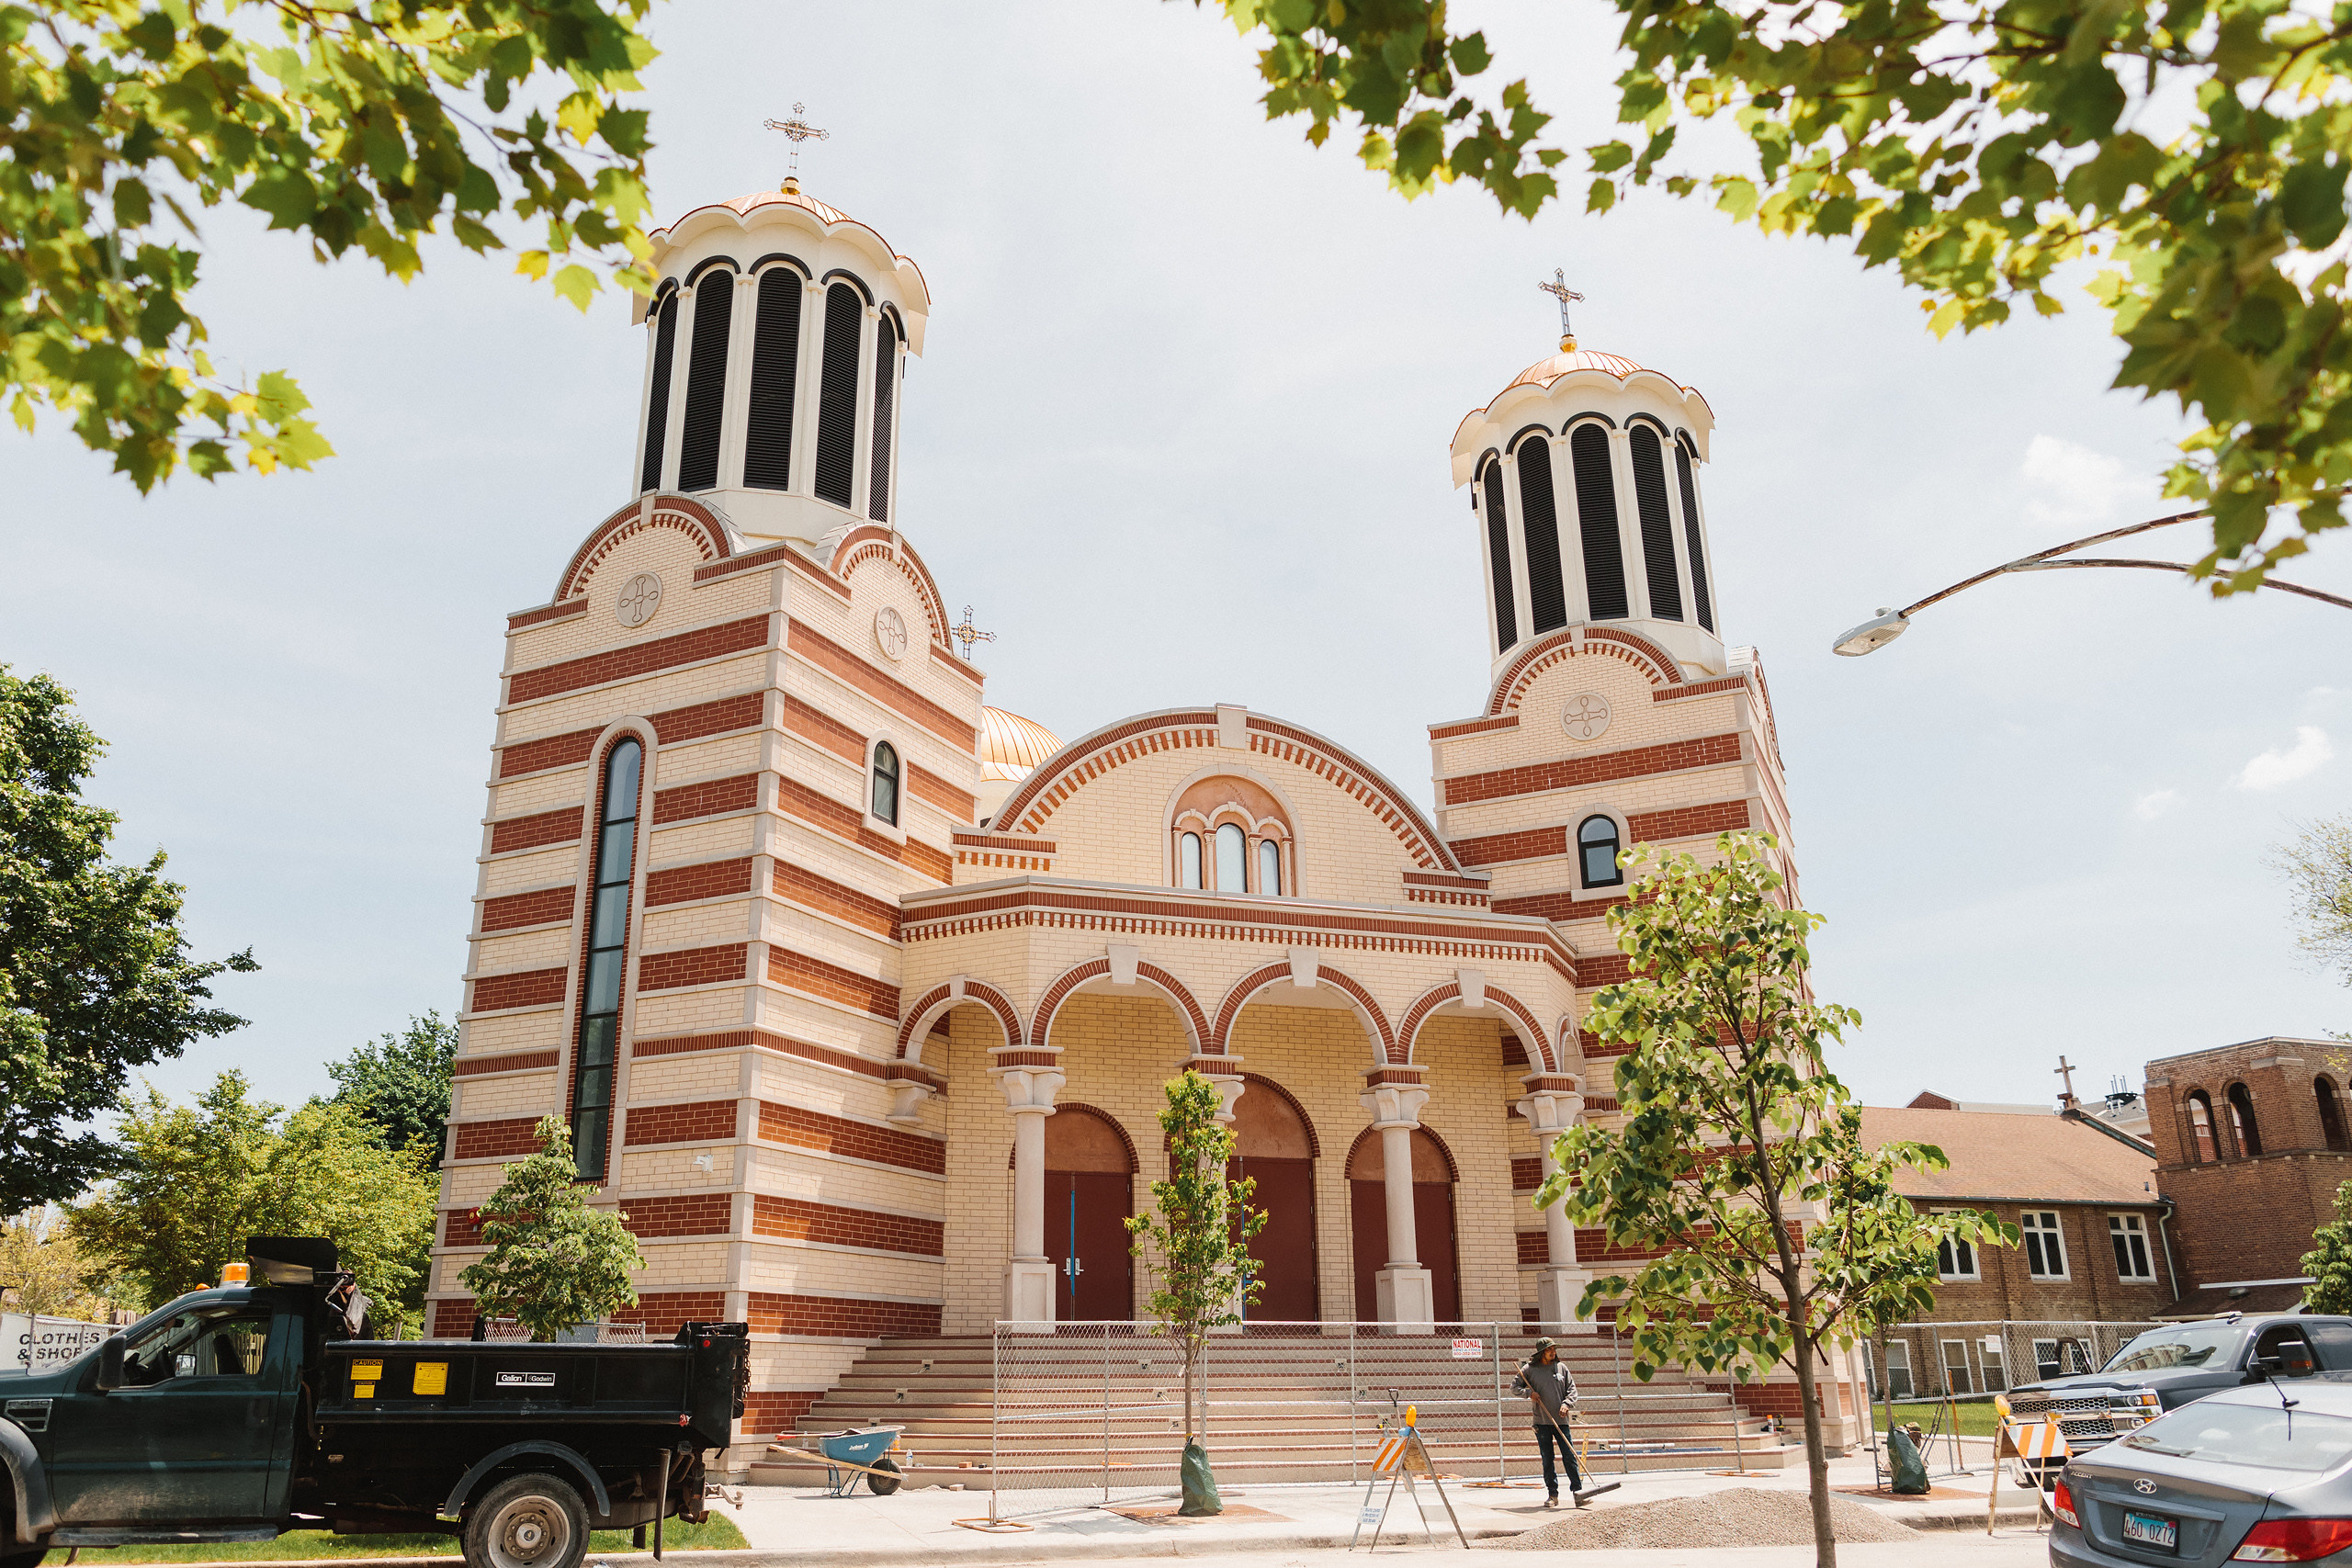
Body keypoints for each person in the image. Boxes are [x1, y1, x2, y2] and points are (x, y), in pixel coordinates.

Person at [1510, 1337, 1586, 1508]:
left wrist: (1566, 1404)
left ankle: (1578, 1492)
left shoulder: (1561, 1368)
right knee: (1547, 1458)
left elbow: (1572, 1390)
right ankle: (1553, 1494)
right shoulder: (1529, 1370)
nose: (1553, 1352)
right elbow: (1514, 1387)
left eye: (1554, 1350)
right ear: (1541, 1353)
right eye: (1549, 1350)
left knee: (1569, 1456)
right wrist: (1529, 1393)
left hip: (1561, 1421)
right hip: (1541, 1421)